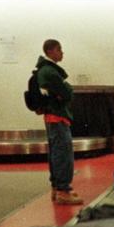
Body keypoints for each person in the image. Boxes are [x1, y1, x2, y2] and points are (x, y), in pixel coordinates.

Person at [34, 39, 84, 206]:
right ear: (50, 51)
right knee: (63, 153)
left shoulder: (43, 70)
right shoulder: (50, 72)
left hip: (52, 117)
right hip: (58, 116)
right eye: (59, 49)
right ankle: (63, 190)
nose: (62, 53)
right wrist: (67, 90)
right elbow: (67, 93)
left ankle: (57, 188)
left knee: (56, 153)